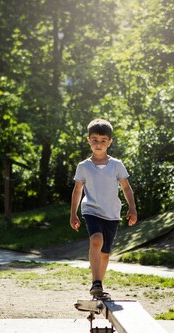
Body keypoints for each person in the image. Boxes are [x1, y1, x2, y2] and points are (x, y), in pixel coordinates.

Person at [70, 118, 138, 298]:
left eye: (103, 140)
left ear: (109, 142)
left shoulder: (116, 165)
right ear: (88, 140)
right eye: (94, 140)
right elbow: (77, 190)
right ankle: (96, 282)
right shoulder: (83, 167)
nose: (98, 144)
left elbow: (126, 187)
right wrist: (73, 214)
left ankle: (98, 287)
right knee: (96, 240)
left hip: (112, 214)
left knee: (105, 254)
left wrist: (132, 208)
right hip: (91, 210)